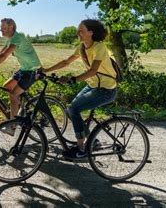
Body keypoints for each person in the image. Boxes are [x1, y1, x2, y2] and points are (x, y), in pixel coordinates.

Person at [41, 19, 118, 160]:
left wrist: (73, 79)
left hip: (106, 89)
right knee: (71, 110)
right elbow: (66, 62)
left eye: (81, 30)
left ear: (91, 32)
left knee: (74, 109)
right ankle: (92, 141)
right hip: (93, 85)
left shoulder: (99, 47)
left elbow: (93, 70)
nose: (78, 33)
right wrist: (46, 70)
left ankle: (82, 150)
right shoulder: (82, 47)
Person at [0, 18, 41, 135]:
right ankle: (19, 112)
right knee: (7, 86)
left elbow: (4, 55)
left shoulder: (17, 38)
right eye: (1, 28)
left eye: (3, 28)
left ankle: (12, 126)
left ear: (11, 26)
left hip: (32, 71)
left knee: (13, 95)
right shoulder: (11, 39)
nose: (1, 30)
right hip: (24, 69)